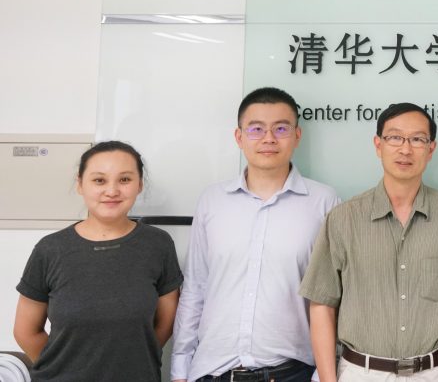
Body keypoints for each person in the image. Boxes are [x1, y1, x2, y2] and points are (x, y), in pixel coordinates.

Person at [172, 87, 340, 382]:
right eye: (256, 129)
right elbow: (196, 288)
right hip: (214, 371)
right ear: (239, 137)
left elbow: (335, 297)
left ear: (297, 135)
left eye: (281, 129)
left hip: (293, 372)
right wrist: (180, 369)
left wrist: (324, 374)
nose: (269, 138)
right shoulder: (213, 200)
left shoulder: (324, 202)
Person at [301, 102, 438, 382]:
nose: (405, 149)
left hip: (433, 373)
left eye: (417, 139)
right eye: (395, 137)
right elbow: (322, 303)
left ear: (431, 149)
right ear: (378, 145)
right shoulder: (344, 218)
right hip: (360, 373)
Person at [14, 140, 182, 381]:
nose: (112, 191)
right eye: (99, 180)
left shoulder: (158, 245)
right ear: (80, 184)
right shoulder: (50, 249)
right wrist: (65, 370)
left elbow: (165, 322)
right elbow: (25, 331)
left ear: (139, 185)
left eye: (124, 179)